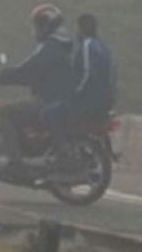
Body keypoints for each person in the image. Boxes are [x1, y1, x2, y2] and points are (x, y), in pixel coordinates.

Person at [0, 4, 74, 174]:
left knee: (2, 113)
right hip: (53, 98)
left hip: (47, 101)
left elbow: (27, 70)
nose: (36, 28)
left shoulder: (51, 47)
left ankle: (14, 161)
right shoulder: (59, 45)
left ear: (48, 25)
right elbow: (31, 74)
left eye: (39, 24)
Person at [44, 13, 117, 167]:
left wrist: (74, 93)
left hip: (89, 101)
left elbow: (87, 73)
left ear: (82, 29)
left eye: (77, 28)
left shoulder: (88, 45)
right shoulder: (103, 46)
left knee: (50, 113)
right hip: (103, 101)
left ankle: (62, 152)